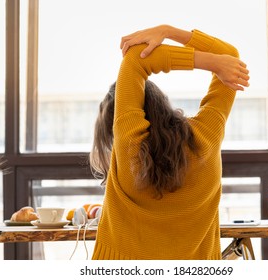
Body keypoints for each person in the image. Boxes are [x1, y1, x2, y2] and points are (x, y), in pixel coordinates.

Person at [89, 25, 250, 260]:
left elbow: (135, 59)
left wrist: (215, 62)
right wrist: (169, 31)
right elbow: (230, 58)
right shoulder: (207, 135)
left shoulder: (128, 144)